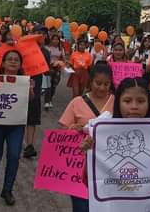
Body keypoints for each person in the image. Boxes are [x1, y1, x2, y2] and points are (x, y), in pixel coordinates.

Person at [58, 62, 115, 212]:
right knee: (81, 208)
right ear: (90, 81)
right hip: (80, 169)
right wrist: (73, 129)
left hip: (109, 169)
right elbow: (63, 134)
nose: (102, 88)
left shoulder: (117, 102)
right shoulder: (77, 102)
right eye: (98, 83)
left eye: (106, 84)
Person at [0, 50, 26, 206]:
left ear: (20, 64)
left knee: (14, 155)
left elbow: (30, 102)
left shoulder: (24, 81)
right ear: (2, 63)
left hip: (16, 125)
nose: (13, 62)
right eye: (10, 59)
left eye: (16, 59)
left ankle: (7, 190)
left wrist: (30, 91)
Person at [23, 26, 49, 159]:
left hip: (36, 89)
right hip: (20, 87)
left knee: (32, 118)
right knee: (19, 117)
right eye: (38, 33)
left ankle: (29, 145)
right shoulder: (22, 48)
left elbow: (47, 71)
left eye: (43, 34)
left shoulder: (45, 52)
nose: (40, 36)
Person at [45, 33, 66, 110]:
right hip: (49, 68)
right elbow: (45, 58)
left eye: (57, 39)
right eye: (54, 39)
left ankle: (50, 97)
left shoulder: (61, 49)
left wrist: (61, 63)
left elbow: (63, 59)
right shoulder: (47, 48)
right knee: (48, 84)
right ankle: (47, 101)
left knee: (54, 84)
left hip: (57, 68)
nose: (55, 41)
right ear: (51, 40)